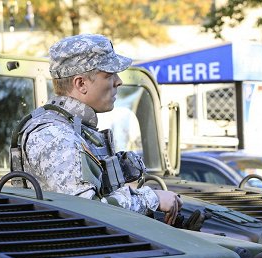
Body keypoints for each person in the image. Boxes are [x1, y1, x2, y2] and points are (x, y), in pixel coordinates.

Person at [10, 34, 181, 224]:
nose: (118, 81)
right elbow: (88, 211)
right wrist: (152, 199)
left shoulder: (72, 129)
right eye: (109, 75)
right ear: (81, 83)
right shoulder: (56, 136)